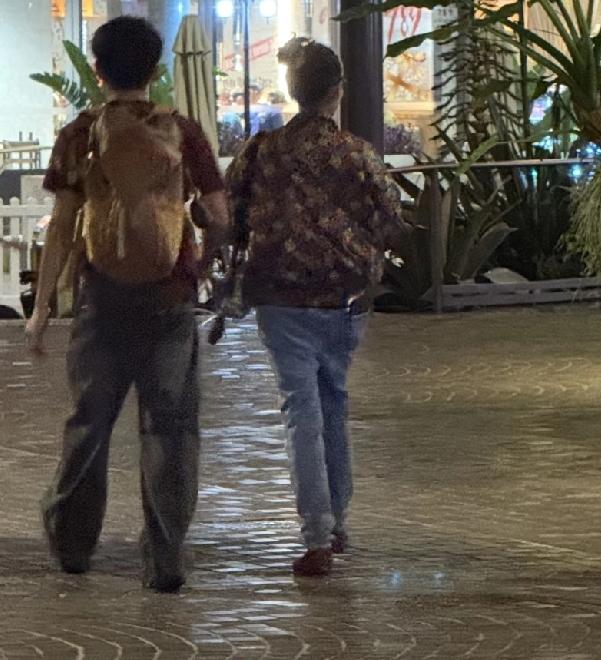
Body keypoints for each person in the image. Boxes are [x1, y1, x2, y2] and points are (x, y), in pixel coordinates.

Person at [25, 16, 230, 592]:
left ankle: (72, 545)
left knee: (89, 425)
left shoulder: (80, 134)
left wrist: (42, 309)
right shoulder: (183, 132)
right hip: (170, 298)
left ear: (97, 71)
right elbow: (219, 216)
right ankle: (165, 559)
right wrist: (201, 265)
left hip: (103, 299)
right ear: (156, 69)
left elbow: (62, 226)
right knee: (170, 430)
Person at [226, 37, 415, 577]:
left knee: (300, 410)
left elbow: (228, 213)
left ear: (293, 91)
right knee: (333, 401)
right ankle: (337, 521)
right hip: (342, 297)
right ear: (337, 92)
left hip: (280, 298)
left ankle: (315, 532)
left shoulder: (261, 151)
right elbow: (391, 220)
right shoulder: (356, 154)